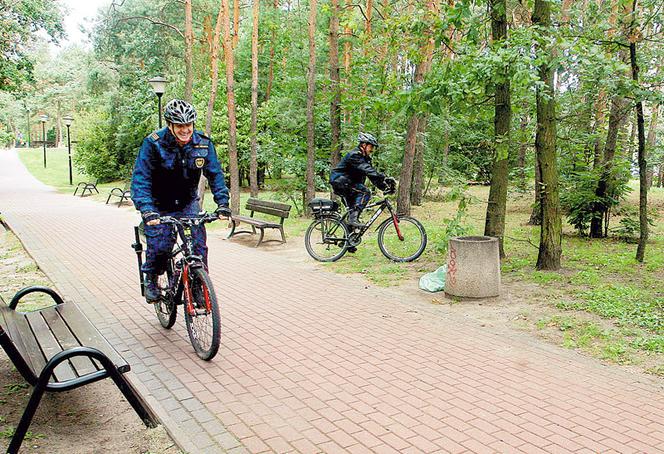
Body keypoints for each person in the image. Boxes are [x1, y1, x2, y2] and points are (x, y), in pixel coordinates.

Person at [131, 99, 230, 303]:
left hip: (188, 203)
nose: (185, 130)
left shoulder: (203, 143)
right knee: (160, 246)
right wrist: (147, 210)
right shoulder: (154, 143)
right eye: (180, 126)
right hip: (159, 205)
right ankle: (151, 278)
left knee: (198, 248)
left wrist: (223, 204)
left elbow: (216, 175)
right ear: (170, 125)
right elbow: (141, 179)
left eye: (188, 125)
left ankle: (197, 286)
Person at [330, 132, 395, 228]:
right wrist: (384, 177)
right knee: (365, 192)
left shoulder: (365, 158)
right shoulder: (355, 155)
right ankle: (353, 220)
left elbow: (372, 176)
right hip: (341, 182)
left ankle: (347, 241)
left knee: (353, 211)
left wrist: (384, 187)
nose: (372, 149)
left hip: (347, 183)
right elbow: (367, 169)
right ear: (364, 145)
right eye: (371, 146)